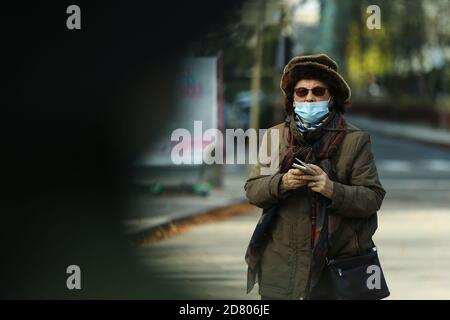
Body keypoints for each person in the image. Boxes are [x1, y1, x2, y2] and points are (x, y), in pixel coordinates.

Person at [244, 53, 386, 300]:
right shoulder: (275, 137)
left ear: (331, 98)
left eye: (318, 91)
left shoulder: (355, 140)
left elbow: (372, 197)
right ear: (292, 99)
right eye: (301, 92)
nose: (309, 97)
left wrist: (332, 189)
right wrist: (282, 182)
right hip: (282, 270)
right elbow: (253, 190)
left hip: (337, 271)